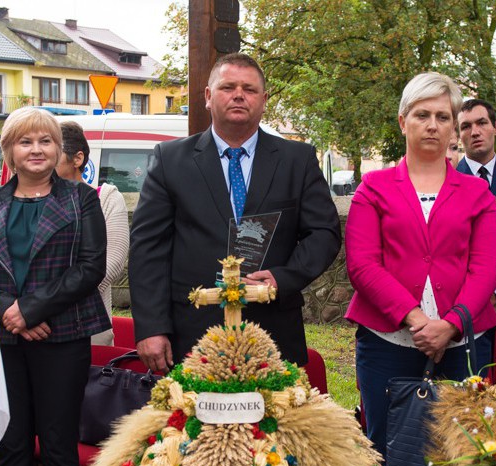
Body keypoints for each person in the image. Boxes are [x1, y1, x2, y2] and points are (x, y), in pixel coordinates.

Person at [344, 72, 496, 466]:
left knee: (463, 445)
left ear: (454, 127)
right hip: (387, 340)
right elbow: (364, 265)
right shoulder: (373, 188)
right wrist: (415, 318)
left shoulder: (477, 194)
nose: (432, 125)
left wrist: (451, 323)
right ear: (403, 122)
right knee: (386, 442)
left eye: (442, 117)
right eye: (422, 115)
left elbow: (486, 267)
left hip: (464, 342)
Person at [129, 52, 341, 371]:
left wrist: (283, 278)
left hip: (272, 331)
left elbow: (324, 233)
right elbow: (148, 250)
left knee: (271, 423)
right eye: (228, 87)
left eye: (250, 89)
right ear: (208, 96)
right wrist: (152, 327)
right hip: (192, 333)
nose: (239, 95)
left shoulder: (297, 160)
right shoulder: (170, 160)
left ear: (264, 99)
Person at [0, 107, 110, 466]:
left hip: (62, 337)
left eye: (45, 141)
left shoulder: (82, 200)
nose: (36, 149)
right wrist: (9, 313)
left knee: (58, 446)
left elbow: (91, 267)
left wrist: (34, 311)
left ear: (59, 151)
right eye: (25, 142)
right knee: (12, 444)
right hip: (4, 343)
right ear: (10, 151)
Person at [56, 121, 129, 345]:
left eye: (53, 152)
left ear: (77, 159)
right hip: (36, 329)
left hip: (88, 328)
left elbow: (111, 265)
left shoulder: (105, 198)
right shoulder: (33, 201)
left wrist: (47, 302)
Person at [457, 98, 496, 195]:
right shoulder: (445, 181)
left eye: (481, 123)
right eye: (466, 127)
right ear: (458, 135)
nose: (475, 133)